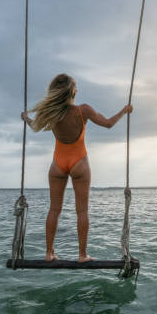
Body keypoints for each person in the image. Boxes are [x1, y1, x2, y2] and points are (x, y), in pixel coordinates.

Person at [21, 74, 133, 263]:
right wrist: (124, 110)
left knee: (54, 209)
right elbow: (108, 124)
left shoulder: (51, 113)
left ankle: (49, 253)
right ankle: (82, 255)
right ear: (73, 91)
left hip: (57, 163)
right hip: (79, 163)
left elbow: (35, 126)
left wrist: (26, 118)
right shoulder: (83, 110)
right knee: (82, 211)